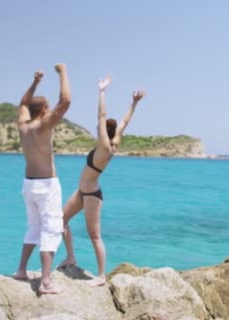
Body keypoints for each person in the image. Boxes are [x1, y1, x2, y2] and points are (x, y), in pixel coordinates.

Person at [57, 74, 145, 286]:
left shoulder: (106, 146)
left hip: (92, 196)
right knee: (60, 220)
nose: (98, 128)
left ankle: (101, 276)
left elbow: (101, 114)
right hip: (81, 192)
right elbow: (124, 121)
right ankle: (71, 257)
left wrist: (102, 92)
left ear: (105, 131)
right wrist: (134, 103)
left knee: (94, 236)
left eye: (101, 128)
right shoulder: (113, 141)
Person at [13, 64, 71, 294]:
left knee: (34, 227)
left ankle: (21, 270)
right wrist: (62, 72)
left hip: (28, 184)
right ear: (45, 109)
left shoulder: (23, 126)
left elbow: (22, 102)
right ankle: (46, 281)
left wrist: (35, 81)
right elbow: (65, 101)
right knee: (51, 229)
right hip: (46, 185)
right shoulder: (43, 125)